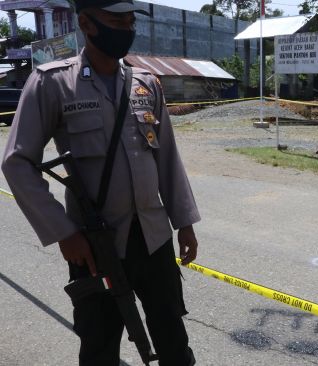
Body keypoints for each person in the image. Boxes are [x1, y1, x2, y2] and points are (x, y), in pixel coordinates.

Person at [1, 1, 200, 365]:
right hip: (95, 247)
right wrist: (64, 232)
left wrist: (184, 222)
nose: (125, 29)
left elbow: (167, 158)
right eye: (115, 21)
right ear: (86, 24)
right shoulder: (52, 83)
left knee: (172, 337)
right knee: (99, 344)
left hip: (154, 238)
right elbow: (16, 162)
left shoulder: (146, 83)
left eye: (129, 21)